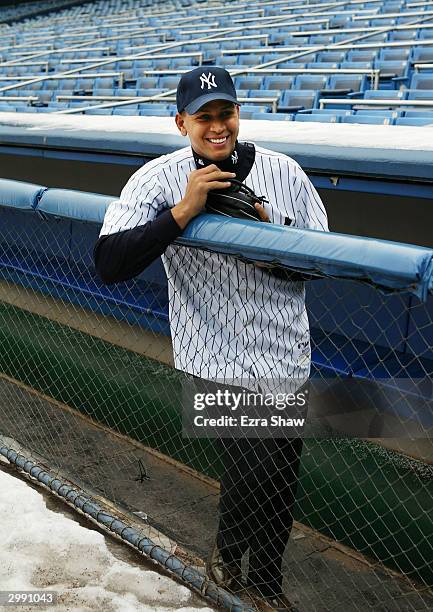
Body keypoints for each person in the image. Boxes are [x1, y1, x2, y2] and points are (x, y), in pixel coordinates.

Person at [94, 66, 328, 611]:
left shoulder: (284, 171)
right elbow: (109, 262)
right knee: (257, 471)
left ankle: (260, 583)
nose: (217, 126)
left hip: (284, 351)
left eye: (226, 113)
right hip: (213, 352)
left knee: (277, 480)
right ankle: (237, 575)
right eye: (204, 116)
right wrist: (183, 212)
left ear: (238, 115)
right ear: (182, 122)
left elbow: (317, 265)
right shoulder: (157, 178)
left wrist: (273, 234)